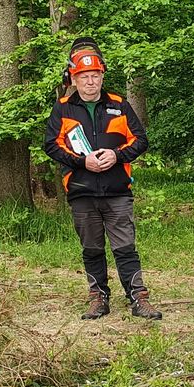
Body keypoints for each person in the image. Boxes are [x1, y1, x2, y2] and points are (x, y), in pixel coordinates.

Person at [42, 38, 161, 320]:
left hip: (117, 189)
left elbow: (141, 140)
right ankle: (98, 298)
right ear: (74, 78)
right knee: (92, 248)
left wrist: (116, 155)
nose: (90, 81)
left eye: (95, 75)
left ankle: (138, 298)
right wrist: (82, 161)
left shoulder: (119, 105)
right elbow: (51, 145)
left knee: (125, 246)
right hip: (81, 190)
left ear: (102, 76)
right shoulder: (63, 108)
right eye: (84, 76)